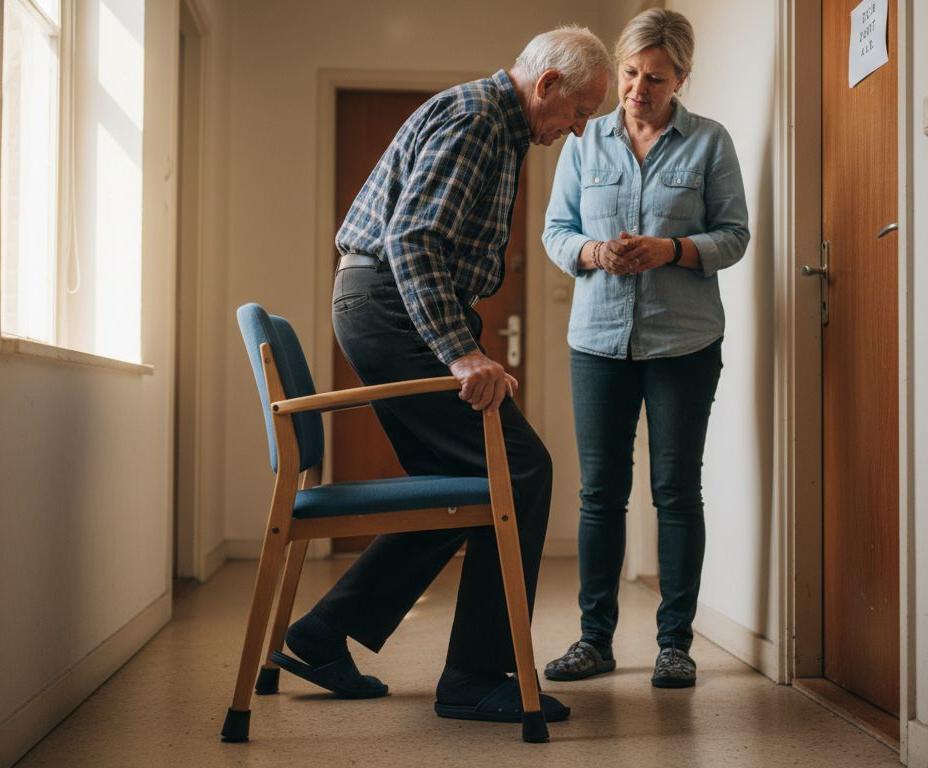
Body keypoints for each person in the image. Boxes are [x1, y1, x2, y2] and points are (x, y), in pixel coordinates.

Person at [271, 26, 611, 724]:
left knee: (465, 485)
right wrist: (461, 353)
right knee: (522, 470)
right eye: (579, 112)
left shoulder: (497, 126)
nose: (578, 130)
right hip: (388, 305)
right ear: (547, 84)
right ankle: (476, 676)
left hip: (381, 305)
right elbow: (414, 239)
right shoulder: (479, 120)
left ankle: (323, 632)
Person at [540, 9, 750, 689]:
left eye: (654, 78)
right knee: (600, 493)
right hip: (597, 342)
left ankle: (674, 646)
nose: (637, 89)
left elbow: (735, 235)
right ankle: (593, 641)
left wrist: (673, 249)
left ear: (681, 78)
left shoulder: (710, 143)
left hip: (684, 343)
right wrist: (594, 252)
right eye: (630, 73)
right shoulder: (584, 143)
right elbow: (555, 231)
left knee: (676, 491)